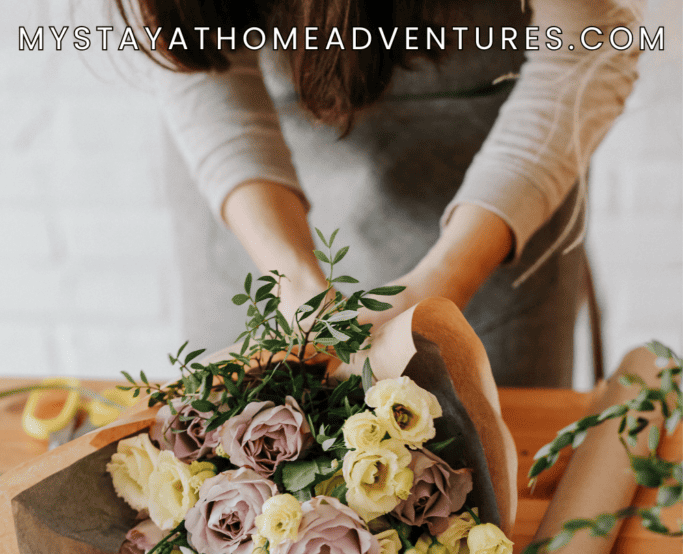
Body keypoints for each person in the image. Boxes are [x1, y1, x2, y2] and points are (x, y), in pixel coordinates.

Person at [117, 0, 642, 385]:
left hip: (495, 194)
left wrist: (441, 285)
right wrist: (291, 275)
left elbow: (589, 46)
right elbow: (191, 49)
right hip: (251, 190)